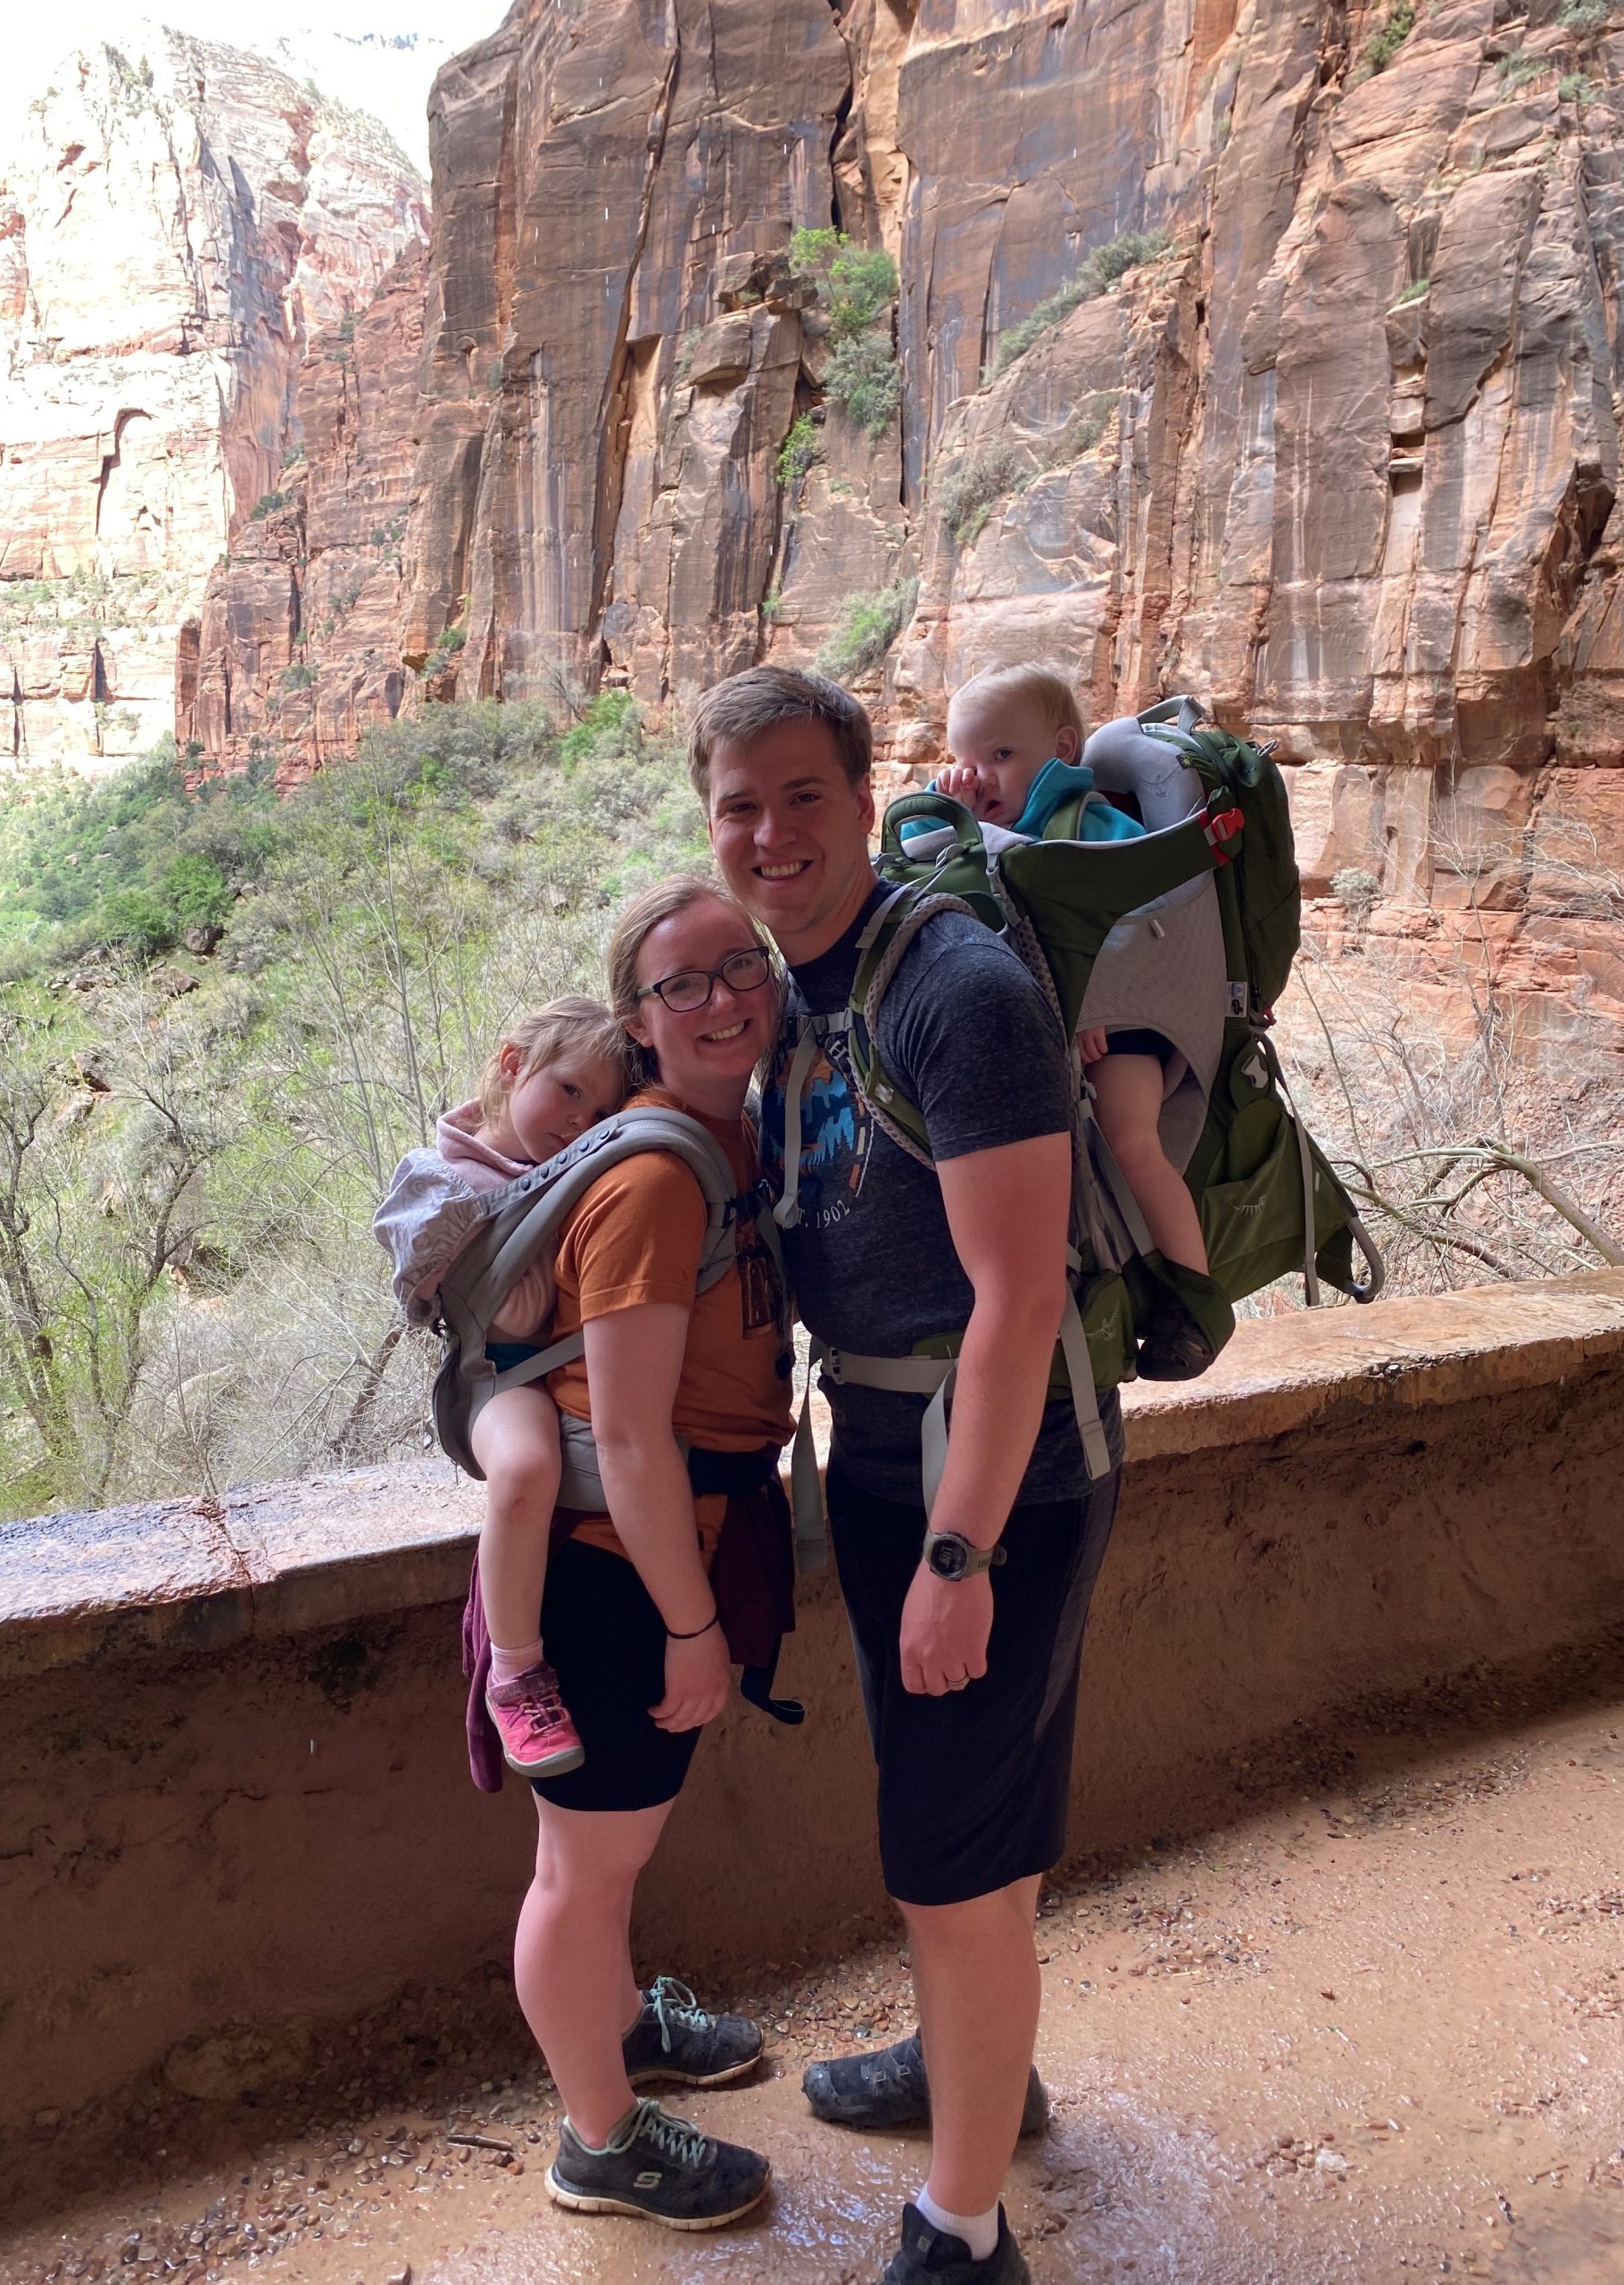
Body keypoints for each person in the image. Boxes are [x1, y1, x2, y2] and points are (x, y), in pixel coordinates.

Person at [694, 665, 1123, 2285]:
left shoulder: (954, 987)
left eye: (804, 795)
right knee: (961, 1827)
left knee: (950, 1865)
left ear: (867, 803)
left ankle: (962, 2229)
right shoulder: (797, 991)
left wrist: (962, 1557)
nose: (773, 832)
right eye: (740, 805)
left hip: (996, 1480)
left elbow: (1017, 1300)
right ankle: (977, 2068)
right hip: (889, 1462)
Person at [513, 876, 795, 2232]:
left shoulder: (728, 1139)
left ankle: (623, 2022)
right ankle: (598, 2139)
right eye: (682, 984)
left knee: (611, 1854)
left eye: (740, 967)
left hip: (665, 1548)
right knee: (584, 1872)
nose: (722, 999)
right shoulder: (654, 1181)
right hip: (614, 1573)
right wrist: (691, 1626)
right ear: (638, 1018)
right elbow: (626, 1441)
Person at [930, 661, 1223, 1380]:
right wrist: (956, 814)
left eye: (1002, 755)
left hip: (1121, 1020)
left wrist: (1094, 1004)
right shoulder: (993, 828)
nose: (982, 775)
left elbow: (1133, 912)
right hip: (1049, 1023)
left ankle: (1197, 1302)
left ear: (1061, 750)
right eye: (966, 761)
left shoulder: (1090, 821)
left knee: (1130, 1143)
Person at [428, 999, 627, 1778]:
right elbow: (420, 1268)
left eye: (600, 1111)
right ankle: (515, 1675)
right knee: (524, 1468)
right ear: (513, 1066)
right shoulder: (446, 1172)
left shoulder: (580, 1167)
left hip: (571, 1363)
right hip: (500, 1373)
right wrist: (476, 1279)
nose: (580, 1119)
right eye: (569, 1090)